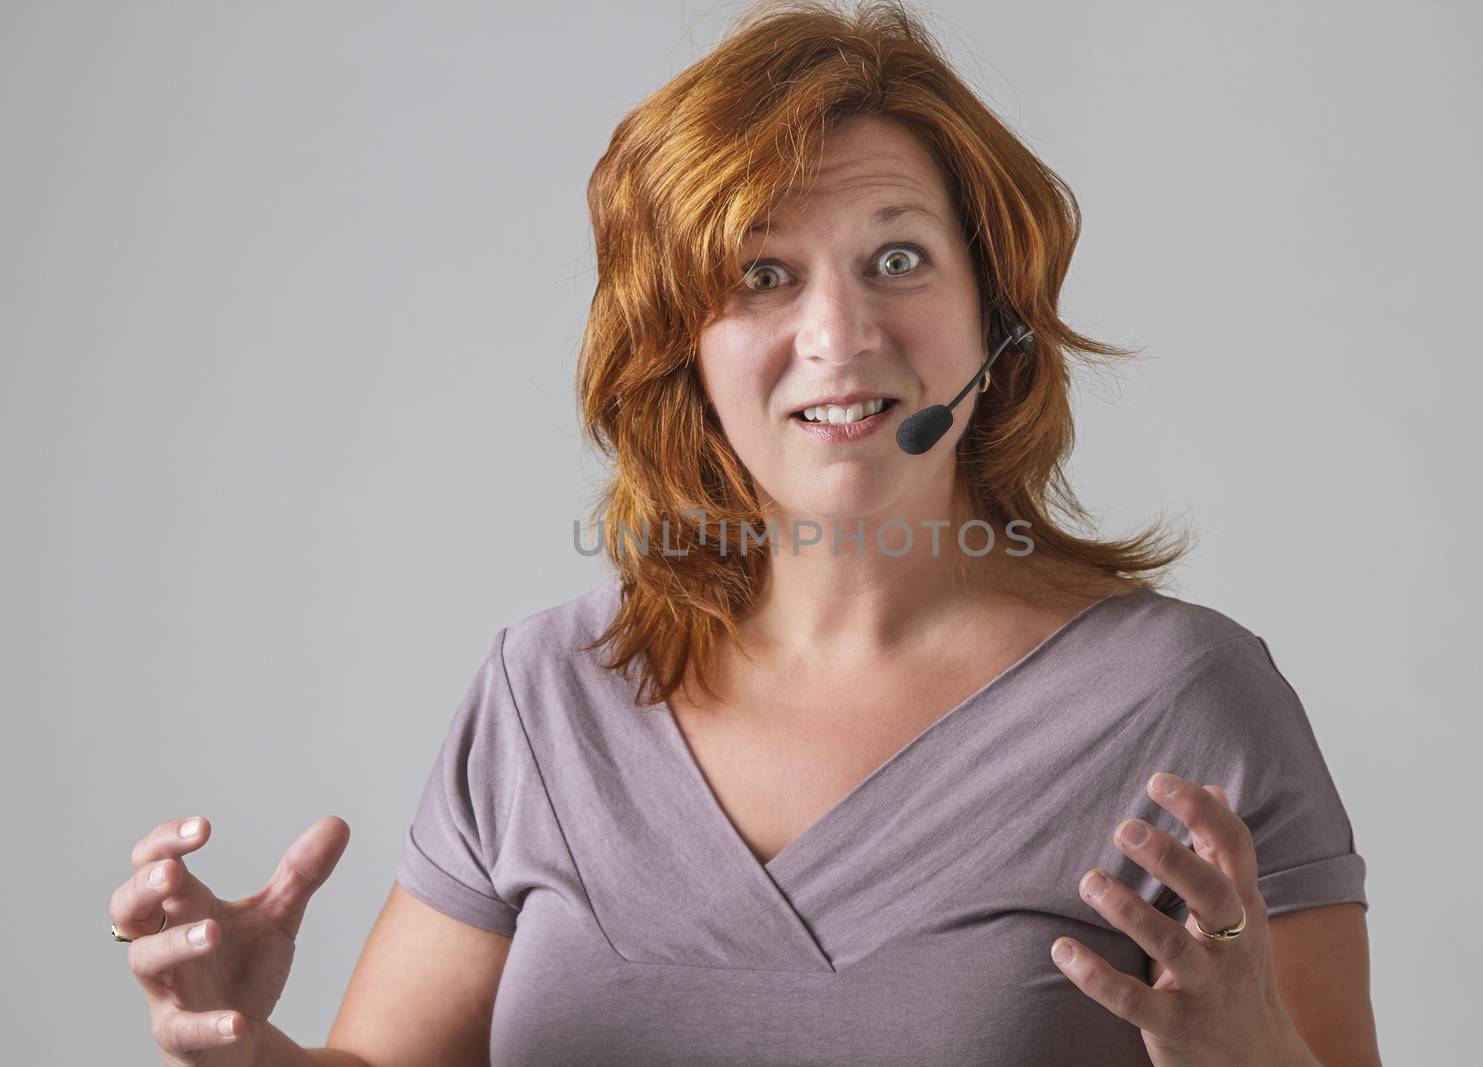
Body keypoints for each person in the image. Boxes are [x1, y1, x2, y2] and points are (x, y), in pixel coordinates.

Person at [109, 2, 1379, 1065]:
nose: (841, 335)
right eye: (763, 275)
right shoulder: (547, 695)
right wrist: (239, 1043)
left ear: (997, 316)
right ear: (682, 347)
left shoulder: (1184, 700)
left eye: (897, 258)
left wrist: (1250, 1050)